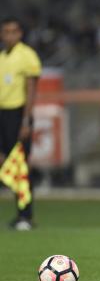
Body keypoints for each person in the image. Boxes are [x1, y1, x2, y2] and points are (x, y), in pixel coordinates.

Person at [0, 18, 41, 230]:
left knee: (21, 165)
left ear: (20, 33)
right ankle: (19, 213)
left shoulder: (26, 56)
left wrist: (26, 119)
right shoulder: (2, 58)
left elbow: (31, 89)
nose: (9, 35)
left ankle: (26, 214)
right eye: (6, 31)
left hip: (18, 114)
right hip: (3, 114)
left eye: (13, 31)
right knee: (9, 165)